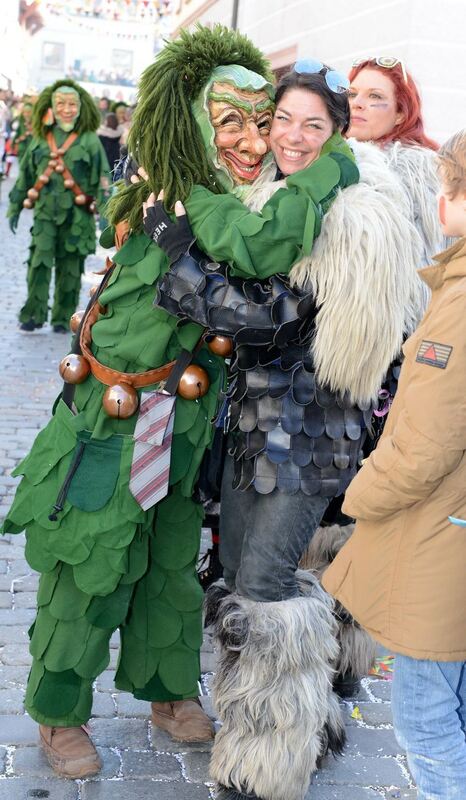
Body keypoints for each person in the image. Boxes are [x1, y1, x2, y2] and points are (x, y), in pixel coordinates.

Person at [1, 25, 330, 781]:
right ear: (189, 127)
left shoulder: (227, 205)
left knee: (172, 569)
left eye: (260, 119)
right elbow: (234, 271)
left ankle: (167, 691)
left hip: (183, 432)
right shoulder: (177, 208)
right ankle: (58, 711)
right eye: (230, 123)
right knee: (91, 568)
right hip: (114, 424)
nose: (251, 141)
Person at [145, 61, 427, 800]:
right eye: (284, 121)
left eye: (314, 124)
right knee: (249, 580)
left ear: (336, 133)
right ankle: (307, 724)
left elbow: (268, 315)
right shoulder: (275, 200)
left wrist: (178, 256)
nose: (293, 137)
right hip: (255, 432)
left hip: (301, 441)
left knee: (264, 592)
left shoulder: (350, 215)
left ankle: (268, 763)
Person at [322, 128, 466, 800]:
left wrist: (358, 495)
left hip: (444, 538)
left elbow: (423, 450)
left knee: (429, 722)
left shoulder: (459, 304)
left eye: (444, 189)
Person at [7, 80, 110, 333]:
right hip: (44, 214)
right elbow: (26, 176)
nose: (66, 109)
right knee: (38, 264)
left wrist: (108, 213)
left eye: (72, 104)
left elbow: (103, 179)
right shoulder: (42, 139)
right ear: (51, 106)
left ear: (80, 107)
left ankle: (64, 318)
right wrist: (14, 206)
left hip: (78, 218)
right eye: (61, 103)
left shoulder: (89, 141)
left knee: (71, 268)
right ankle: (33, 313)